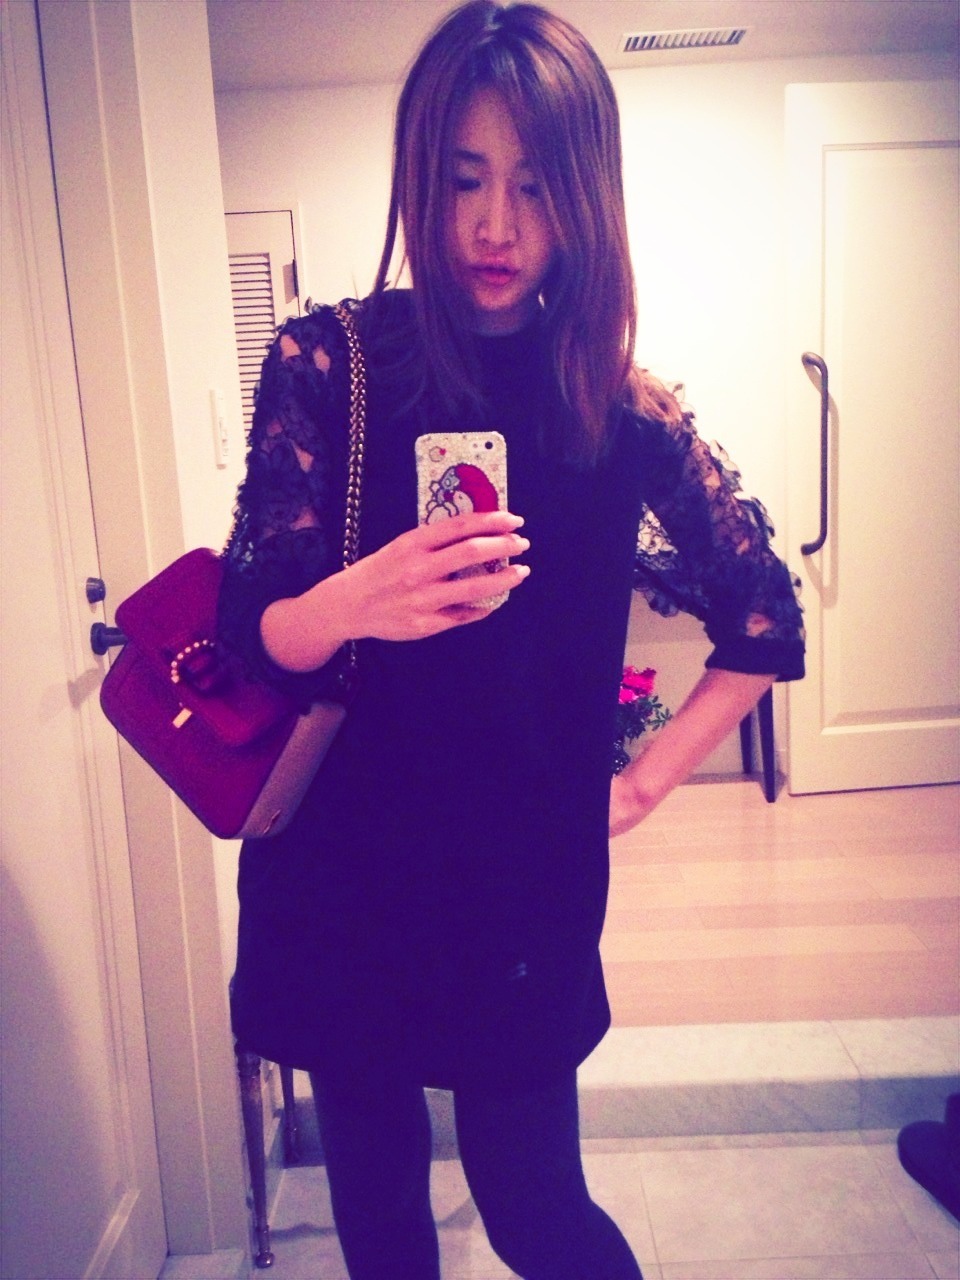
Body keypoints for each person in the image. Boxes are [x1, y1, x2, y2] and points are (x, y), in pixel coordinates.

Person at [217, 3, 805, 1276]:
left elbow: (763, 617)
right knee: (380, 1212)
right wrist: (356, 600)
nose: (496, 227)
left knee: (538, 1207)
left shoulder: (618, 406)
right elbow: (251, 625)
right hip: (344, 870)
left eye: (535, 187)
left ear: (584, 195)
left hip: (519, 887)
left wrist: (638, 785)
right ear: (419, 177)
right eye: (464, 179)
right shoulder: (330, 364)